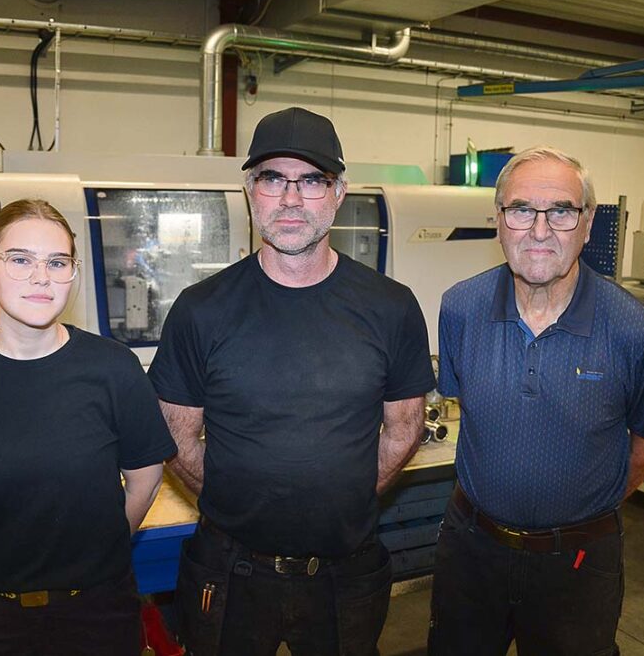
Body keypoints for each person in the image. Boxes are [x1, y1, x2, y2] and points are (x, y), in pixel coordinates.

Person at [148, 106, 435, 656]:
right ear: (249, 192)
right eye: (273, 178)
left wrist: (343, 497)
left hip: (344, 574)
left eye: (311, 180)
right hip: (229, 572)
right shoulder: (201, 310)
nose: (291, 198)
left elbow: (404, 430)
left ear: (339, 193)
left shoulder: (391, 308)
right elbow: (176, 437)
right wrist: (240, 502)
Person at [0, 199, 177, 656]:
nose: (42, 277)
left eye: (57, 262)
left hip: (98, 614)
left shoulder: (114, 369)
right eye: (20, 260)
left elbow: (144, 481)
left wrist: (93, 557)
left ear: (72, 273)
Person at [428, 146, 644, 656]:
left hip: (579, 565)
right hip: (471, 553)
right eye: (521, 210)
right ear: (499, 221)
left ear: (587, 223)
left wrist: (585, 508)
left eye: (561, 211)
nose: (539, 231)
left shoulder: (633, 329)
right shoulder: (460, 308)